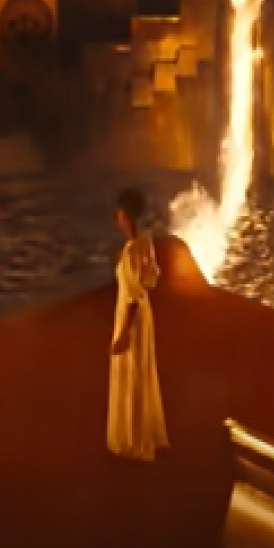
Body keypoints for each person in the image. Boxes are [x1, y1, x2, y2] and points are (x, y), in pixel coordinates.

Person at [107, 187, 169, 461]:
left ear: (125, 215)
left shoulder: (132, 250)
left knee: (131, 371)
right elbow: (151, 279)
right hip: (144, 314)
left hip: (131, 315)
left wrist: (123, 332)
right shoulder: (145, 243)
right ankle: (140, 433)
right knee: (140, 370)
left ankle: (132, 437)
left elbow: (132, 295)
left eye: (119, 212)